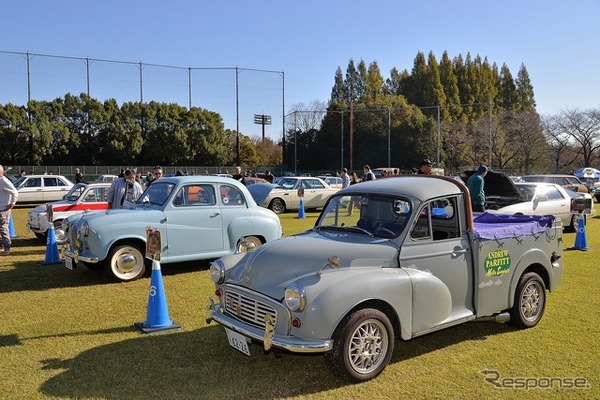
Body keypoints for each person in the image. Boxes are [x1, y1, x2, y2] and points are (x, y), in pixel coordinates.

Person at [0, 164, 18, 256]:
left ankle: (7, 247)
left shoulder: (4, 181)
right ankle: (2, 246)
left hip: (3, 209)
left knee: (3, 228)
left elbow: (15, 192)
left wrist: (12, 203)